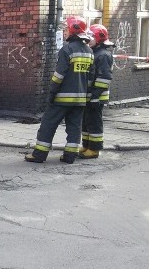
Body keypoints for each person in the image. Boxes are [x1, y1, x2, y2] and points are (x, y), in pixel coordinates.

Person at [25, 16, 93, 164]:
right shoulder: (89, 51)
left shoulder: (67, 50)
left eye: (66, 29)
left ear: (73, 30)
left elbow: (58, 76)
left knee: (48, 125)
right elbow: (90, 78)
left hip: (61, 98)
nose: (65, 32)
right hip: (80, 99)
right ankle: (70, 156)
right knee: (74, 128)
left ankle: (39, 155)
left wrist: (52, 92)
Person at [80, 24, 114, 160]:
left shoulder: (103, 55)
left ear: (99, 38)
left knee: (94, 122)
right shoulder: (95, 52)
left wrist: (95, 96)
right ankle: (87, 145)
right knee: (87, 122)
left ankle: (94, 149)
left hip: (97, 97)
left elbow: (104, 79)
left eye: (91, 37)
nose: (88, 40)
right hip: (90, 96)